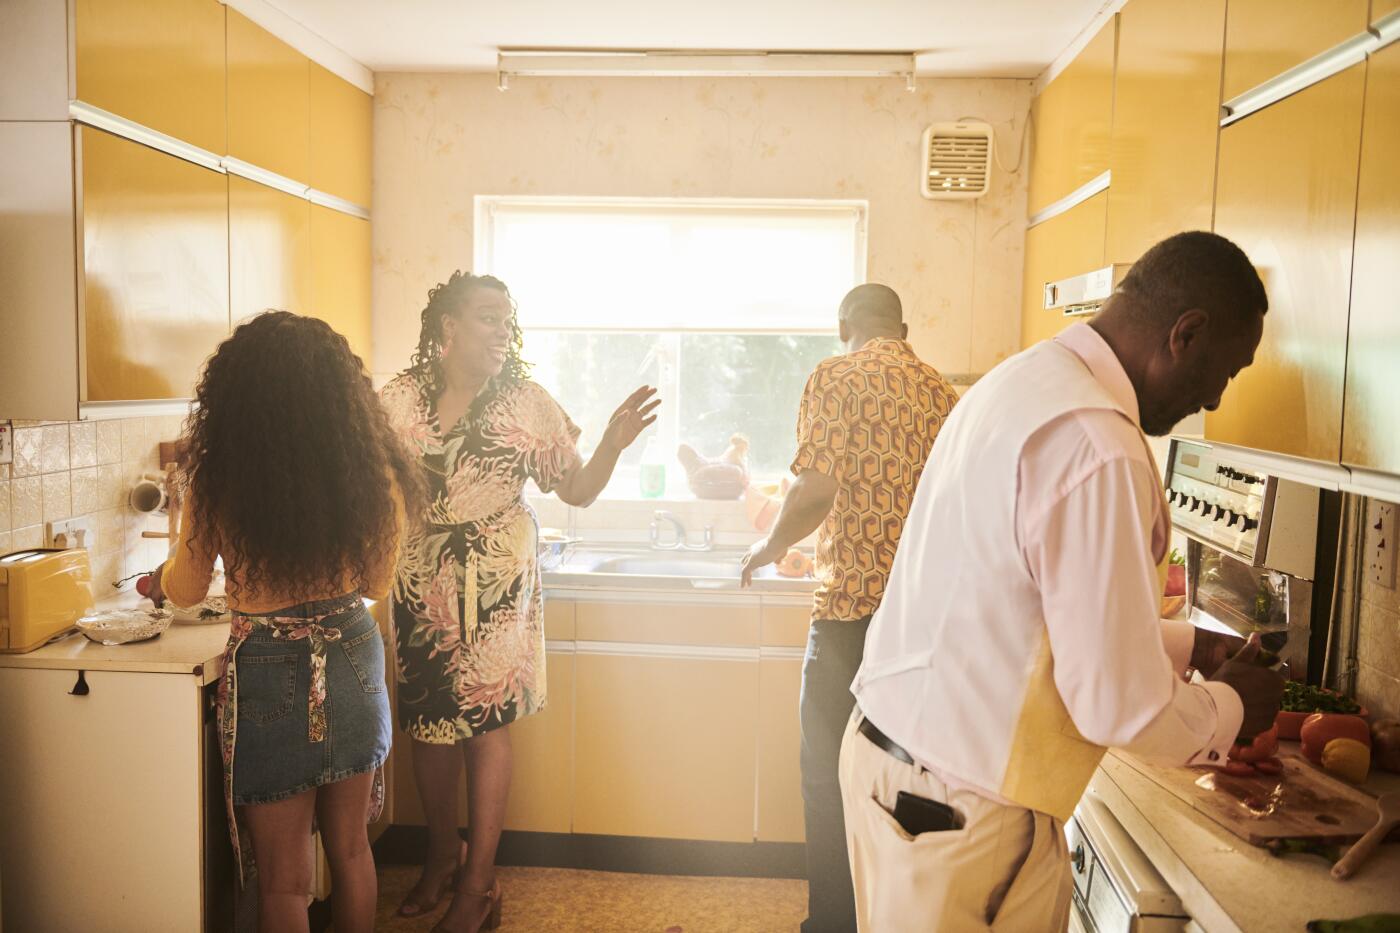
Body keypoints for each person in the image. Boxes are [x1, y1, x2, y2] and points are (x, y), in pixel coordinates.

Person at [840, 231, 1286, 931]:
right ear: (1186, 334)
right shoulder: (1096, 444)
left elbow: (1017, 605)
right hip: (961, 810)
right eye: (1225, 372)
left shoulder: (1021, 382)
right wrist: (1234, 708)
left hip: (899, 771)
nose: (1217, 400)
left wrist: (1184, 647)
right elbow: (1116, 706)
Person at [381, 271, 659, 933]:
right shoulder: (398, 399)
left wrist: (613, 445)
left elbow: (580, 492)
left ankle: (478, 885)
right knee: (428, 724)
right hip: (420, 578)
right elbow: (367, 480)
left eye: (507, 320)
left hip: (497, 582)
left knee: (483, 721)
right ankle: (442, 854)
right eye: (486, 317)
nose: (501, 330)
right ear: (448, 326)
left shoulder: (524, 403)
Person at [148, 311, 422, 933]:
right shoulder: (372, 471)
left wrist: (158, 581)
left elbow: (187, 589)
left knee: (284, 882)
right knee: (352, 852)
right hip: (351, 647)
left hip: (267, 664)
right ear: (341, 391)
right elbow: (377, 584)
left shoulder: (221, 473)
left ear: (238, 390)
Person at [741, 283, 958, 933]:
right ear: (905, 325)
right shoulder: (943, 394)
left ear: (844, 325)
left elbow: (814, 493)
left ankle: (833, 924)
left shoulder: (834, 375)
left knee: (831, 781)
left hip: (849, 622)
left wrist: (767, 546)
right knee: (901, 790)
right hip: (919, 631)